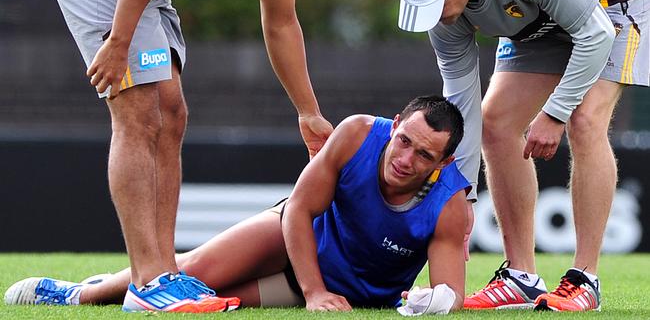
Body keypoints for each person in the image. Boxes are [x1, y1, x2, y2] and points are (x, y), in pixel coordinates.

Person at [48, 0, 387, 313]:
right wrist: (118, 42)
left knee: (173, 113)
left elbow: (282, 23)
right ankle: (148, 284)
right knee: (141, 115)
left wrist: (308, 112)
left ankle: (162, 273)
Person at [397, 0, 650, 312]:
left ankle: (585, 279)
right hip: (541, 17)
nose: (435, 17)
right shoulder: (445, 11)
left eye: (437, 4)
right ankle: (521, 277)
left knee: (583, 121)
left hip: (611, 0)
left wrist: (555, 113)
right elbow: (462, 105)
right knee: (495, 123)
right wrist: (461, 196)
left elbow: (595, 33)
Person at [5, 95, 469, 314]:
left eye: (424, 154)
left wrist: (433, 302)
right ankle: (76, 293)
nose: (405, 159)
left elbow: (449, 295)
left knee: (208, 303)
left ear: (444, 161)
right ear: (394, 125)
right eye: (403, 140)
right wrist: (313, 293)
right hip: (298, 240)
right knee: (188, 275)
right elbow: (302, 209)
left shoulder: (451, 203)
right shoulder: (356, 134)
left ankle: (111, 287)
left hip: (350, 292)